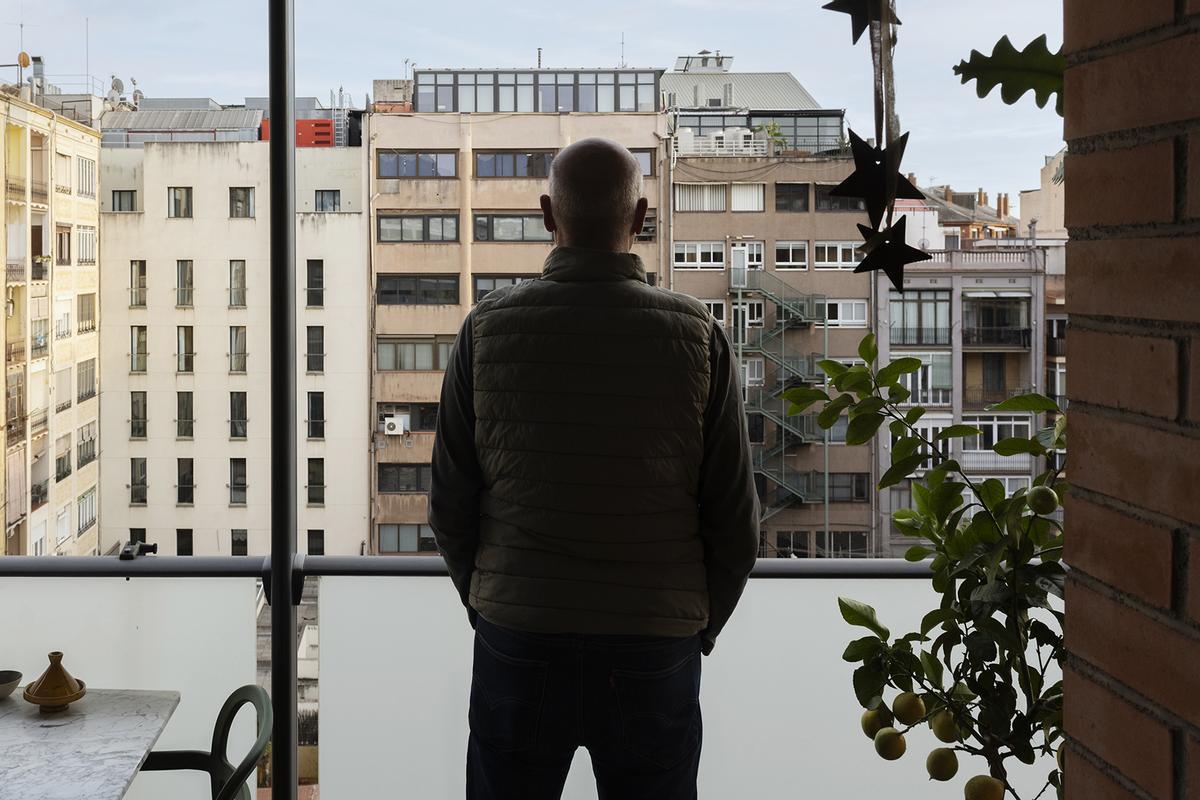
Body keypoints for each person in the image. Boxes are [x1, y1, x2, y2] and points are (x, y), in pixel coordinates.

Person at [429, 137, 759, 800]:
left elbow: (449, 505)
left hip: (519, 633)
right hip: (653, 642)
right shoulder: (696, 334)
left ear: (549, 214)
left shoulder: (488, 330)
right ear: (639, 219)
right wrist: (695, 622)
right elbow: (733, 522)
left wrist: (492, 599)